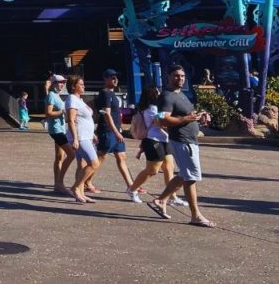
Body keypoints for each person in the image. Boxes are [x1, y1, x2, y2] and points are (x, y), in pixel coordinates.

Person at [148, 65, 214, 227]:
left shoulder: (181, 94)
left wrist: (200, 116)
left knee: (185, 174)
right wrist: (185, 120)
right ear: (168, 77)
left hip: (189, 140)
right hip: (182, 141)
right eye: (176, 76)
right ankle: (195, 215)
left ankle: (161, 199)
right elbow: (163, 120)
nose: (180, 79)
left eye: (183, 76)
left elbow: (187, 116)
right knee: (191, 178)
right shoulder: (167, 96)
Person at [125, 86, 186, 208]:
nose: (160, 95)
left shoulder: (156, 108)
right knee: (152, 170)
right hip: (153, 141)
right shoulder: (152, 109)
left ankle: (172, 197)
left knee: (169, 167)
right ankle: (132, 189)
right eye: (157, 93)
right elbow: (160, 124)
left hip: (164, 140)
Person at [85, 69, 136, 194]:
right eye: (112, 78)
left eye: (116, 77)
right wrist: (117, 132)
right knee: (100, 158)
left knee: (122, 156)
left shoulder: (112, 94)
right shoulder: (105, 93)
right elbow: (107, 115)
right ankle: (84, 182)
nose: (115, 80)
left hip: (115, 130)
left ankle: (131, 186)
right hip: (107, 131)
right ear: (105, 79)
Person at [65, 75, 99, 204]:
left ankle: (81, 193)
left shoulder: (79, 99)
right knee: (94, 163)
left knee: (82, 165)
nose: (84, 86)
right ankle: (75, 187)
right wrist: (75, 138)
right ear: (74, 86)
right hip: (80, 138)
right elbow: (71, 120)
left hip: (86, 136)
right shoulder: (72, 99)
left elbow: (84, 119)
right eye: (81, 84)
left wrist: (93, 134)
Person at [44, 74, 75, 194]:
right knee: (71, 155)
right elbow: (48, 113)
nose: (62, 84)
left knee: (59, 157)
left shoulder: (56, 95)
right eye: (59, 82)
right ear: (54, 84)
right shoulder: (51, 96)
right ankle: (59, 183)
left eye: (63, 82)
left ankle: (57, 183)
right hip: (56, 131)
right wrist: (62, 111)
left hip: (61, 129)